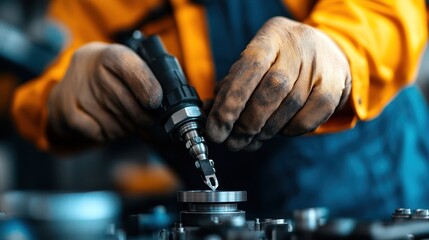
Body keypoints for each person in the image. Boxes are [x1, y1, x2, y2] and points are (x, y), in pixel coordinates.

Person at [12, 0, 429, 219]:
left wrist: (340, 51)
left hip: (376, 193)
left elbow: (391, 6)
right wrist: (57, 99)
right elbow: (28, 83)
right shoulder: (85, 6)